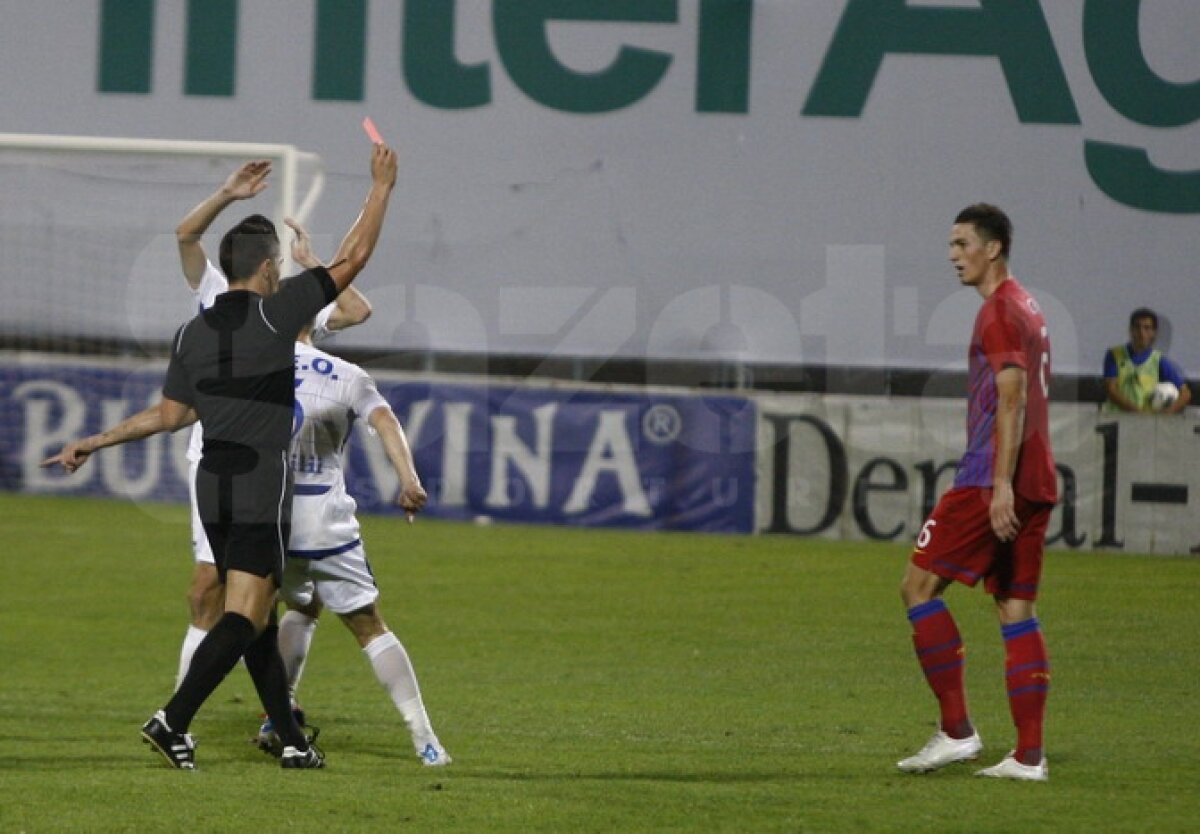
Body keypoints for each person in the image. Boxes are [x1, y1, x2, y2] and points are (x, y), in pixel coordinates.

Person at [47, 143, 398, 770]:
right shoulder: (276, 314)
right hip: (259, 481)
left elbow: (171, 416)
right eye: (279, 267)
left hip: (210, 481)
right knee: (244, 614)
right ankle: (172, 718)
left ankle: (290, 739)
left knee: (258, 616)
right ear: (268, 270)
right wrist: (381, 188)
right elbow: (357, 258)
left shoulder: (194, 329)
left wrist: (93, 442)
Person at [173, 160, 372, 694]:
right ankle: (183, 713)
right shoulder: (217, 293)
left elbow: (355, 310)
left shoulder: (288, 310)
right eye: (281, 261)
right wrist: (227, 194)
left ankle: (274, 716)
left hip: (274, 466)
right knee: (208, 587)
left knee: (288, 596)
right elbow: (187, 234)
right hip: (217, 458)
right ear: (262, 264)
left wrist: (313, 262)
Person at [897, 204, 1056, 782]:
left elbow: (1010, 399)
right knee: (1016, 608)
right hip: (1038, 476)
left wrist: (997, 486)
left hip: (993, 478)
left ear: (992, 248)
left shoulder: (997, 312)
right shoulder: (1029, 306)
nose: (953, 254)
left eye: (962, 243)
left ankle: (958, 731)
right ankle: (1028, 756)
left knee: (917, 586)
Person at [258, 320, 450, 766]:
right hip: (327, 527)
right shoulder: (344, 373)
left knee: (295, 608)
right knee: (369, 628)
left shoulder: (253, 368)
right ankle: (425, 740)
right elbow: (385, 420)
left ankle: (276, 715)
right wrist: (409, 480)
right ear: (317, 321)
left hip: (271, 524)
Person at [1102, 308, 1192, 414]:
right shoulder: (1115, 355)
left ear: (1154, 333)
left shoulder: (1158, 360)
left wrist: (1167, 413)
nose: (1141, 333)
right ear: (1130, 330)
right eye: (1137, 327)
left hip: (1146, 424)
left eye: (1147, 328)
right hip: (1117, 421)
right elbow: (1111, 389)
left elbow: (1185, 394)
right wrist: (1135, 412)